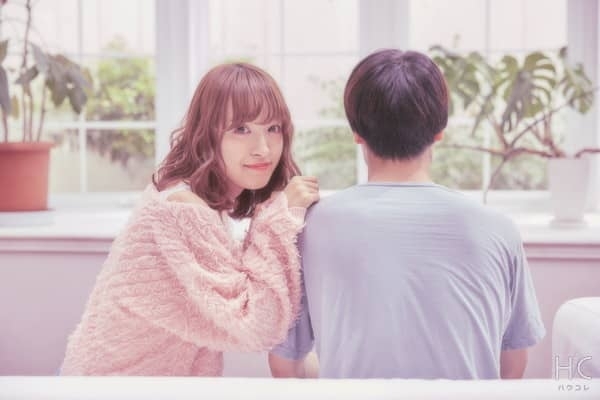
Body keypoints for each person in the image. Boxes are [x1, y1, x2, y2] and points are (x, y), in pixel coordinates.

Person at [268, 49, 545, 379]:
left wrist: (336, 371)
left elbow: (285, 367)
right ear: (439, 131)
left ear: (356, 133)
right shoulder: (499, 229)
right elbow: (513, 367)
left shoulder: (309, 227)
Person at [60, 62, 319, 376]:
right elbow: (257, 327)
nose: (263, 149)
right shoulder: (181, 210)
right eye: (241, 129)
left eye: (273, 128)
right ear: (207, 133)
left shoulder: (195, 201)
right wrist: (279, 219)